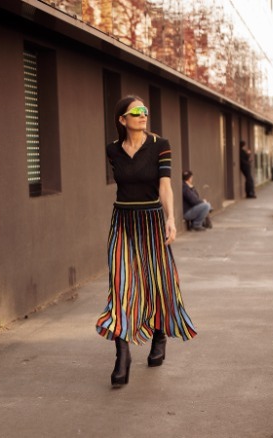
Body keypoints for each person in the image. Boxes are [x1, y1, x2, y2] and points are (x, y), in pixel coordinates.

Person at [95, 95, 197, 388]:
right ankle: (122, 354)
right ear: (122, 120)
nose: (143, 115)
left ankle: (160, 335)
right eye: (136, 112)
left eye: (145, 111)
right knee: (121, 283)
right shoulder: (112, 150)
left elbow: (164, 184)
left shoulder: (160, 145)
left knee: (157, 281)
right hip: (123, 222)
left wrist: (170, 218)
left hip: (152, 221)